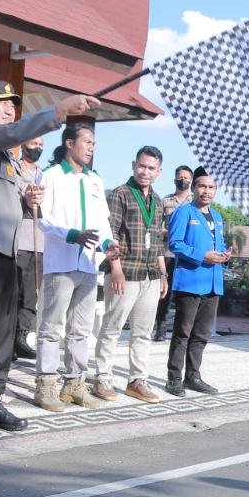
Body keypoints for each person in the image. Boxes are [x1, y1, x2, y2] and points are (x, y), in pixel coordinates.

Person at [0, 81, 99, 440]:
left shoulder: (9, 159)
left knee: (1, 336)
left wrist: (26, 202)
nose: (10, 108)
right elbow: (14, 132)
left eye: (14, 103)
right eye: (1, 102)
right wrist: (59, 111)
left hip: (4, 255)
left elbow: (3, 203)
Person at [31, 123, 117, 411]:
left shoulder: (95, 180)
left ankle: (74, 385)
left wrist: (108, 245)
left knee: (80, 329)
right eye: (87, 142)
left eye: (94, 143)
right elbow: (41, 218)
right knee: (51, 327)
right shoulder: (51, 175)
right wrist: (71, 235)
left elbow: (102, 222)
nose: (91, 148)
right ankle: (45, 385)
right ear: (69, 143)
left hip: (89, 264)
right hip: (61, 263)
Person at [94, 146, 168, 403]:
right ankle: (102, 377)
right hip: (124, 273)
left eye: (151, 168)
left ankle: (137, 380)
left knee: (142, 332)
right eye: (141, 166)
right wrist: (115, 269)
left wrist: (163, 274)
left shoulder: (158, 202)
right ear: (133, 165)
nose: (145, 172)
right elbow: (110, 234)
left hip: (149, 275)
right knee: (112, 327)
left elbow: (157, 240)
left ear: (159, 172)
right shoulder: (120, 194)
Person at [166, 167, 231, 396]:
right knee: (182, 332)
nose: (207, 191)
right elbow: (175, 244)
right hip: (190, 281)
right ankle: (174, 377)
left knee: (202, 334)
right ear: (194, 187)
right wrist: (202, 255)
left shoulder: (218, 216)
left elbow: (218, 245)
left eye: (211, 187)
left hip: (213, 281)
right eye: (202, 186)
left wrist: (223, 254)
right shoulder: (184, 212)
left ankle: (193, 376)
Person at [11, 136, 44, 361]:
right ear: (23, 145)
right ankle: (4, 337)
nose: (37, 148)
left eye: (41, 145)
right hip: (17, 232)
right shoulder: (14, 168)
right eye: (34, 144)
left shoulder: (45, 174)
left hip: (39, 237)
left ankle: (21, 336)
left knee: (31, 291)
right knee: (13, 289)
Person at [154, 165, 193, 341]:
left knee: (184, 294)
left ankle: (182, 330)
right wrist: (166, 232)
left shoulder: (195, 202)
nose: (182, 180)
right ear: (174, 178)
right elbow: (156, 226)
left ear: (191, 180)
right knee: (164, 293)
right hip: (168, 252)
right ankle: (160, 328)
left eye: (186, 177)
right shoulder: (165, 201)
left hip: (188, 254)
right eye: (179, 177)